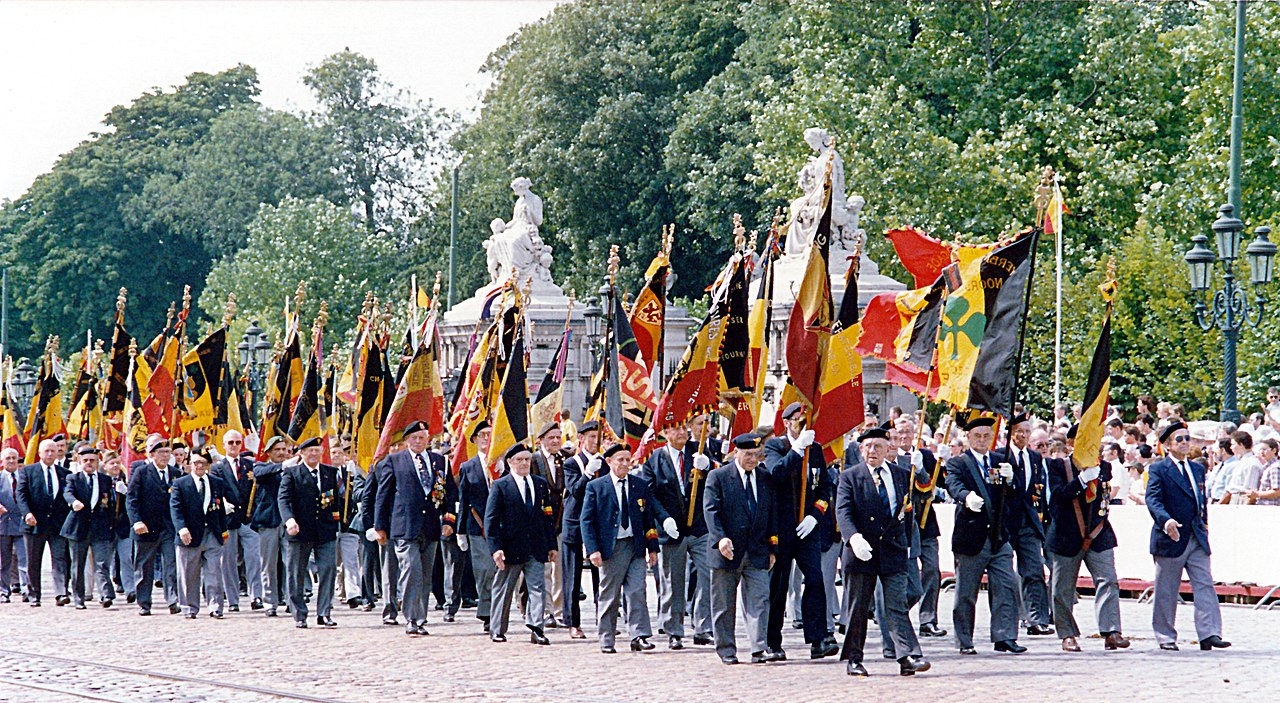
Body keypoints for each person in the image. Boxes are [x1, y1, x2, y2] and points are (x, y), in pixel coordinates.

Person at [836, 427, 930, 677]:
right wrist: (853, 537)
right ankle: (854, 658)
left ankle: (907, 655)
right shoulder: (850, 476)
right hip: (862, 551)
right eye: (867, 447)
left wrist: (907, 542)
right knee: (858, 607)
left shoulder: (900, 475)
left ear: (889, 448)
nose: (872, 452)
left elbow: (907, 510)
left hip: (892, 549)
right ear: (860, 450)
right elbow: (843, 511)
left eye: (878, 446)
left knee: (897, 604)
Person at [761, 402, 837, 661]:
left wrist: (816, 516)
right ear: (786, 422)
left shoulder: (815, 450)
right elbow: (777, 473)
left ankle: (817, 639)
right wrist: (796, 449)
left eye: (804, 419)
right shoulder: (776, 446)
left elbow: (825, 486)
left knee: (815, 580)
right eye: (795, 419)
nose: (800, 423)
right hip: (781, 529)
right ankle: (772, 641)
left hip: (807, 529)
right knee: (779, 585)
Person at [944, 416, 1024, 655]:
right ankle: (964, 640)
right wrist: (966, 496)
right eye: (977, 436)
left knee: (1006, 586)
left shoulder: (1001, 460)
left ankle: (1005, 636)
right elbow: (952, 484)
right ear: (967, 437)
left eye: (986, 436)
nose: (981, 440)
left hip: (999, 535)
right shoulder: (959, 462)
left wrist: (1011, 480)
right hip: (971, 536)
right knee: (966, 592)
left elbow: (1015, 494)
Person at [1147, 422, 1230, 651]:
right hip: (1171, 537)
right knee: (1167, 589)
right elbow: (1153, 500)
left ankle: (1210, 633)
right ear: (1167, 445)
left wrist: (1204, 525)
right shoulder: (1158, 469)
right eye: (1179, 439)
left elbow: (1201, 502)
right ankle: (1165, 636)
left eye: (1187, 438)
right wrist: (1166, 521)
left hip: (1196, 536)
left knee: (1204, 584)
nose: (1185, 443)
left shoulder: (1197, 469)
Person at [1045, 427, 1129, 652]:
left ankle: (1111, 631)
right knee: (1062, 588)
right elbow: (1058, 498)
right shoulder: (1058, 467)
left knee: (1108, 580)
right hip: (1066, 535)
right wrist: (1081, 481)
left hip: (1098, 532)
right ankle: (1067, 634)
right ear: (1072, 442)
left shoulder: (1105, 467)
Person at [373, 421, 457, 637]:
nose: (418, 442)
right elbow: (383, 495)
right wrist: (380, 526)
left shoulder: (440, 461)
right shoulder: (394, 461)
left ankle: (421, 617)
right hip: (404, 527)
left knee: (426, 575)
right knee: (411, 570)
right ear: (406, 440)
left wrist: (449, 521)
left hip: (430, 527)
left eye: (422, 437)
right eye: (414, 438)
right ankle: (411, 618)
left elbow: (450, 494)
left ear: (428, 439)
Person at [580, 443, 660, 654]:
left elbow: (648, 519)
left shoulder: (639, 485)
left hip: (634, 546)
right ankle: (607, 638)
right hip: (611, 548)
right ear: (609, 462)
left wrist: (652, 548)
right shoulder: (597, 486)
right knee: (609, 594)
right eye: (620, 460)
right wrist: (592, 549)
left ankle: (639, 635)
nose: (625, 464)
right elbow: (586, 520)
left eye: (628, 460)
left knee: (637, 591)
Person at [704, 433, 777, 665]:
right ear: (736, 453)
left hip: (757, 550)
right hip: (728, 550)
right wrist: (720, 539)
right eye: (747, 455)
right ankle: (726, 649)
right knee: (724, 604)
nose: (752, 460)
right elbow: (711, 511)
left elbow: (771, 514)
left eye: (756, 455)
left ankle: (758, 648)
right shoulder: (718, 477)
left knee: (760, 600)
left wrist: (773, 547)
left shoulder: (765, 478)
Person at [642, 418, 714, 650]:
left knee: (708, 574)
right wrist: (664, 519)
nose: (682, 432)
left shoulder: (699, 451)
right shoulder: (654, 460)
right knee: (673, 580)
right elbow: (650, 495)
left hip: (699, 528)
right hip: (672, 529)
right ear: (665, 432)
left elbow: (723, 475)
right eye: (676, 428)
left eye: (684, 427)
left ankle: (703, 627)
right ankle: (674, 629)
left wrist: (710, 465)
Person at [483, 443, 557, 645]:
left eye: (527, 459)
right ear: (509, 462)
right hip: (510, 547)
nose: (524, 463)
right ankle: (497, 628)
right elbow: (491, 520)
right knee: (504, 589)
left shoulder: (540, 484)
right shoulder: (501, 485)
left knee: (537, 588)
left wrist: (552, 545)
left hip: (536, 546)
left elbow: (547, 516)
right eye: (519, 460)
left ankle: (536, 628)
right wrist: (495, 548)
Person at [995, 413, 1053, 637]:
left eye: (1027, 432)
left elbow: (1037, 489)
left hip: (1028, 520)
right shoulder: (999, 455)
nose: (1023, 436)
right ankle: (1013, 617)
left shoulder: (1034, 458)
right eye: (1019, 431)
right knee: (1006, 574)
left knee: (1034, 569)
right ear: (1010, 433)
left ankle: (1036, 618)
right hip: (1006, 520)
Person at [279, 436, 343, 629]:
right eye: (309, 451)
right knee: (296, 572)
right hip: (300, 530)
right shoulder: (292, 473)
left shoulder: (330, 473)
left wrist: (337, 521)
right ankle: (299, 613)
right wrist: (289, 520)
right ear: (302, 453)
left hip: (325, 530)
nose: (313, 454)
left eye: (317, 450)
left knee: (328, 570)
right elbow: (283, 500)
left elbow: (336, 500)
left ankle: (324, 612)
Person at [170, 448, 231, 619]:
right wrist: (181, 529)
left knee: (214, 572)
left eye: (203, 463)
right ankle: (189, 607)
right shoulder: (181, 483)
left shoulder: (216, 482)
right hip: (189, 534)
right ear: (190, 464)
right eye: (196, 462)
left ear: (208, 465)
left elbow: (219, 509)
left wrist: (223, 532)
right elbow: (176, 509)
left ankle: (215, 606)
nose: (199, 466)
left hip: (211, 532)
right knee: (189, 573)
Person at [126, 435, 180, 616]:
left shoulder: (175, 473)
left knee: (171, 565)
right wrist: (136, 521)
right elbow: (132, 499)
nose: (165, 456)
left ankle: (173, 600)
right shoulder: (142, 472)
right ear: (152, 454)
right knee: (144, 567)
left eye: (167, 452)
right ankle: (144, 602)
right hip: (146, 528)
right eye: (161, 452)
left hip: (168, 528)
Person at [560, 420, 604, 640]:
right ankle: (572, 622)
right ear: (581, 439)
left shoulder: (605, 463)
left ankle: (604, 618)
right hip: (575, 524)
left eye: (598, 437)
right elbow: (575, 491)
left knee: (602, 575)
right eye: (592, 437)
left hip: (598, 525)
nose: (596, 441)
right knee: (572, 576)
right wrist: (587, 473)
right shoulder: (571, 463)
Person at [210, 430, 262, 612]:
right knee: (228, 562)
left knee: (254, 559)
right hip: (228, 520)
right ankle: (233, 600)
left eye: (237, 442)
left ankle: (257, 595)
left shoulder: (250, 465)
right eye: (230, 442)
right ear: (223, 445)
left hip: (248, 520)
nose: (234, 446)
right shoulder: (217, 468)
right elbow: (215, 491)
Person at [16, 438, 72, 607]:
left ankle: (61, 593)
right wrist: (27, 514)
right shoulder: (28, 471)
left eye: (52, 451)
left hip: (57, 524)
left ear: (57, 453)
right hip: (34, 524)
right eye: (46, 451)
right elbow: (21, 495)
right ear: (39, 453)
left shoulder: (64, 473)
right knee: (33, 561)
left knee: (60, 559)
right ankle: (34, 594)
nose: (49, 454)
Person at [60, 446, 116, 609]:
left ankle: (105, 594)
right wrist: (74, 502)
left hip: (99, 527)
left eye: (92, 460)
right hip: (78, 527)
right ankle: (79, 597)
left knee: (102, 563)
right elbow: (67, 493)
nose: (89, 463)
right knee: (78, 564)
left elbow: (109, 502)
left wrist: (111, 523)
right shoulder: (74, 478)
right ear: (79, 462)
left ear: (98, 462)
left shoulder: (104, 479)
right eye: (85, 460)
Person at [456, 422, 496, 633]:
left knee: (500, 571)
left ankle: (496, 611)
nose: (486, 439)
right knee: (485, 571)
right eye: (482, 435)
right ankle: (487, 613)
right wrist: (460, 530)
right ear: (475, 439)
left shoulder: (502, 464)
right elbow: (464, 501)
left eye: (490, 435)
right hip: (477, 526)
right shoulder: (468, 467)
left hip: (501, 527)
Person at [530, 422, 569, 628]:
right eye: (551, 437)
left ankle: (560, 610)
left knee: (560, 568)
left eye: (558, 436)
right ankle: (545, 611)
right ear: (541, 440)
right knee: (543, 569)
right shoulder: (534, 460)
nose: (555, 441)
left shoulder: (566, 459)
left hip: (561, 522)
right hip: (539, 523)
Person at [251, 435, 291, 617]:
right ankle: (270, 602)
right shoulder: (262, 467)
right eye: (277, 450)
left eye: (284, 449)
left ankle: (292, 600)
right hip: (269, 521)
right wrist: (283, 466)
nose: (281, 453)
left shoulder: (293, 469)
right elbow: (260, 474)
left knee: (292, 563)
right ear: (268, 453)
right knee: (268, 565)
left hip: (289, 521)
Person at [100, 451, 134, 604]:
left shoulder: (127, 481)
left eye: (117, 463)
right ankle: (106, 592)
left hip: (123, 528)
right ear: (105, 466)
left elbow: (134, 502)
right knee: (105, 562)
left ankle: (131, 590)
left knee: (127, 559)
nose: (115, 466)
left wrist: (126, 492)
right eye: (111, 463)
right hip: (106, 528)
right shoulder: (101, 482)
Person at [0, 447, 27, 604]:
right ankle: (4, 591)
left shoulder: (24, 477)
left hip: (22, 524)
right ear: (2, 462)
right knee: (4, 561)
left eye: (14, 458)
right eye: (7, 458)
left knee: (25, 559)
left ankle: (26, 590)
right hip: (3, 524)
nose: (11, 461)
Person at [1222, 430, 1261, 504]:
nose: (1231, 447)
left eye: (1233, 444)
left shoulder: (1252, 464)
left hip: (1242, 499)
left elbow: (1250, 492)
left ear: (1241, 445)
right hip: (1235, 498)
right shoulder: (1242, 462)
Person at [1247, 438, 1280, 505]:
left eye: (1264, 449)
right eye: (1260, 450)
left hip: (1271, 507)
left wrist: (1257, 494)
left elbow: (1277, 491)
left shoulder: (1275, 467)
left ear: (1274, 450)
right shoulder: (1267, 467)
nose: (1262, 452)